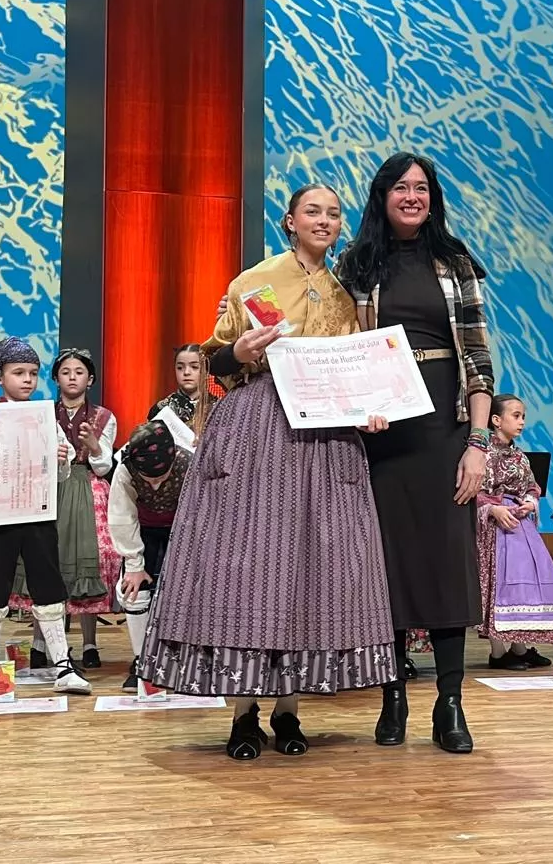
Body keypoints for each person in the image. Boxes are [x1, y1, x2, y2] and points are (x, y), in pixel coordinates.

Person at [137, 183, 396, 760]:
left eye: (333, 213)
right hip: (259, 426)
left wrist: (371, 410)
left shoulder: (345, 294)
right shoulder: (252, 281)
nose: (324, 220)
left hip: (325, 436)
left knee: (311, 565)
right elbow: (217, 363)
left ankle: (289, 710)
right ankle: (242, 711)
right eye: (313, 211)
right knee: (248, 566)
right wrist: (242, 353)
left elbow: (355, 371)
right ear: (290, 220)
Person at [336, 152, 494, 755]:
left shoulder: (456, 261)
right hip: (382, 435)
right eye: (401, 187)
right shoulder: (358, 265)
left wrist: (477, 444)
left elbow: (478, 360)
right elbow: (344, 352)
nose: (412, 196)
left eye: (422, 188)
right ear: (381, 196)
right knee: (390, 568)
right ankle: (393, 694)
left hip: (444, 429)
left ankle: (450, 703)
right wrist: (357, 405)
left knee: (447, 562)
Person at [0, 338, 92, 698]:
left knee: (48, 583)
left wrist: (62, 456)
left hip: (37, 514)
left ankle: (62, 664)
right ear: (0, 377)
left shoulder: (46, 417)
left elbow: (60, 475)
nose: (27, 380)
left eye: (32, 373)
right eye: (18, 373)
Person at [9, 348, 120, 670]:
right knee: (45, 563)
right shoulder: (41, 413)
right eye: (66, 372)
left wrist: (95, 446)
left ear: (91, 379)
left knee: (93, 560)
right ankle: (40, 643)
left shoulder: (103, 417)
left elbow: (102, 468)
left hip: (87, 488)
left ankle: (89, 643)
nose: (72, 377)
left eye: (79, 372)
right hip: (48, 489)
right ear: (56, 378)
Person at [475, 395, 553, 670]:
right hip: (494, 530)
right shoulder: (481, 455)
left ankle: (520, 646)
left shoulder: (519, 456)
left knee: (523, 585)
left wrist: (530, 501)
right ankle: (498, 652)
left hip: (518, 528)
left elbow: (531, 486)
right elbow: (472, 491)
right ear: (496, 420)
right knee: (498, 587)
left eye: (523, 416)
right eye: (516, 415)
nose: (522, 422)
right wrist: (492, 510)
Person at [107, 421, 192, 690]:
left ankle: (179, 661)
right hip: (142, 529)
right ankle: (142, 660)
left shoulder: (189, 464)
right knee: (136, 590)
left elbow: (198, 514)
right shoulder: (126, 468)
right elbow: (122, 516)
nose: (154, 484)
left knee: (180, 593)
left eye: (160, 477)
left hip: (182, 531)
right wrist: (134, 564)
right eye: (149, 479)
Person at [149, 344, 216, 427]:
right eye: (180, 368)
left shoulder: (218, 407)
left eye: (194, 367)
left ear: (206, 371)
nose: (186, 372)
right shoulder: (162, 409)